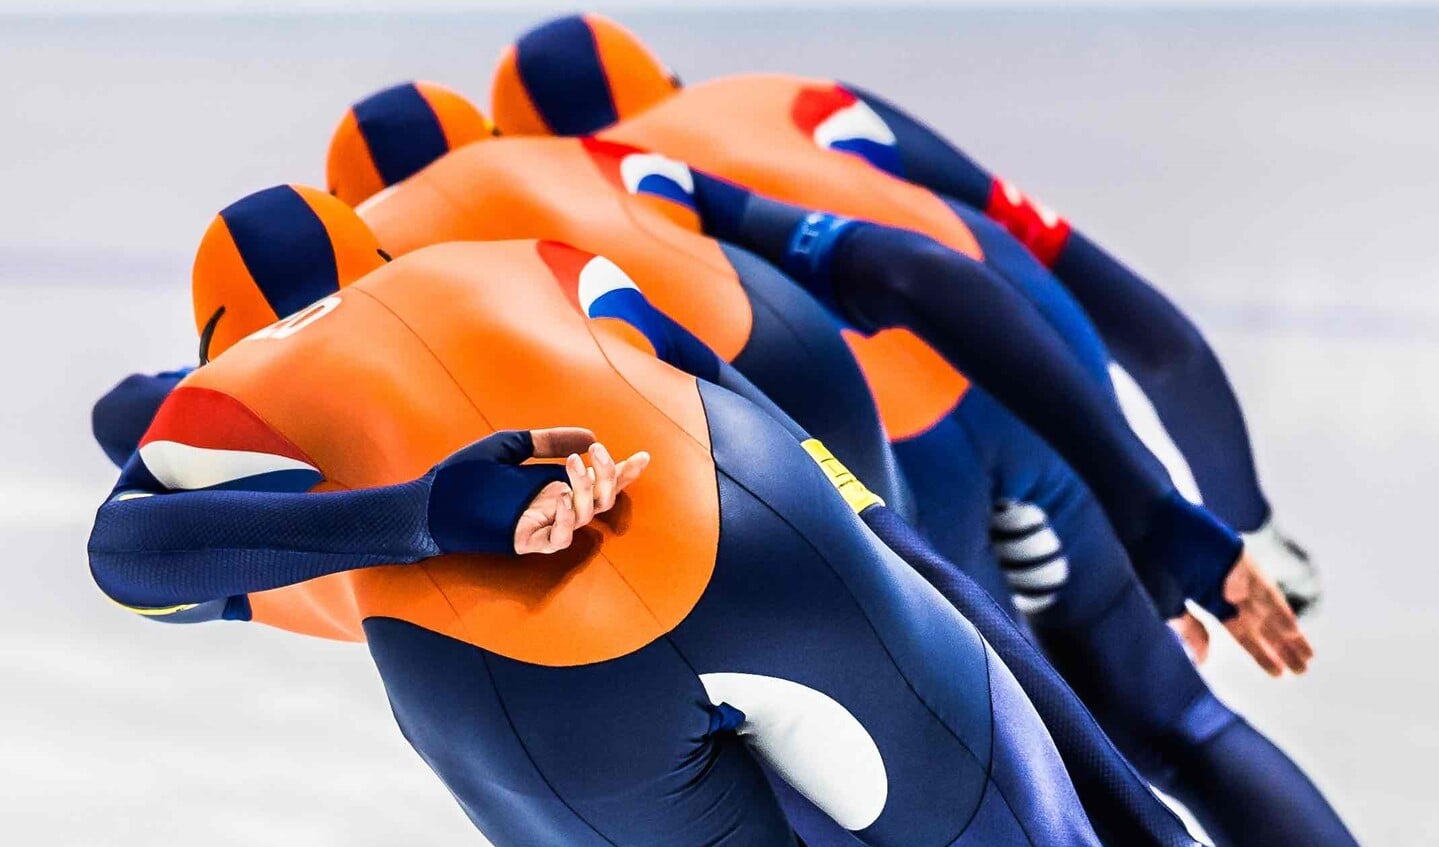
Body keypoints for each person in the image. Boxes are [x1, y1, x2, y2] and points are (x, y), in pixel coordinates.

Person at [317, 86, 1345, 847]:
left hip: (818, 468)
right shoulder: (739, 120)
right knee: (1175, 723)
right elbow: (1107, 321)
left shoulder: (402, 296)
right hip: (1009, 369)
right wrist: (1187, 515)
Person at [88, 185, 1140, 847]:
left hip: (519, 679)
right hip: (755, 517)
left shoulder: (222, 396)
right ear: (372, 254)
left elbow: (127, 561)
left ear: (219, 332)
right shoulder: (521, 259)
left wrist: (418, 514)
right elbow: (755, 411)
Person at [490, 12, 1321, 620]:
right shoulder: (793, 101)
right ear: (667, 79)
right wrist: (1243, 525)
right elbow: (1157, 342)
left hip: (879, 460)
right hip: (1020, 359)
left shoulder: (563, 224)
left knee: (1028, 746)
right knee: (1167, 720)